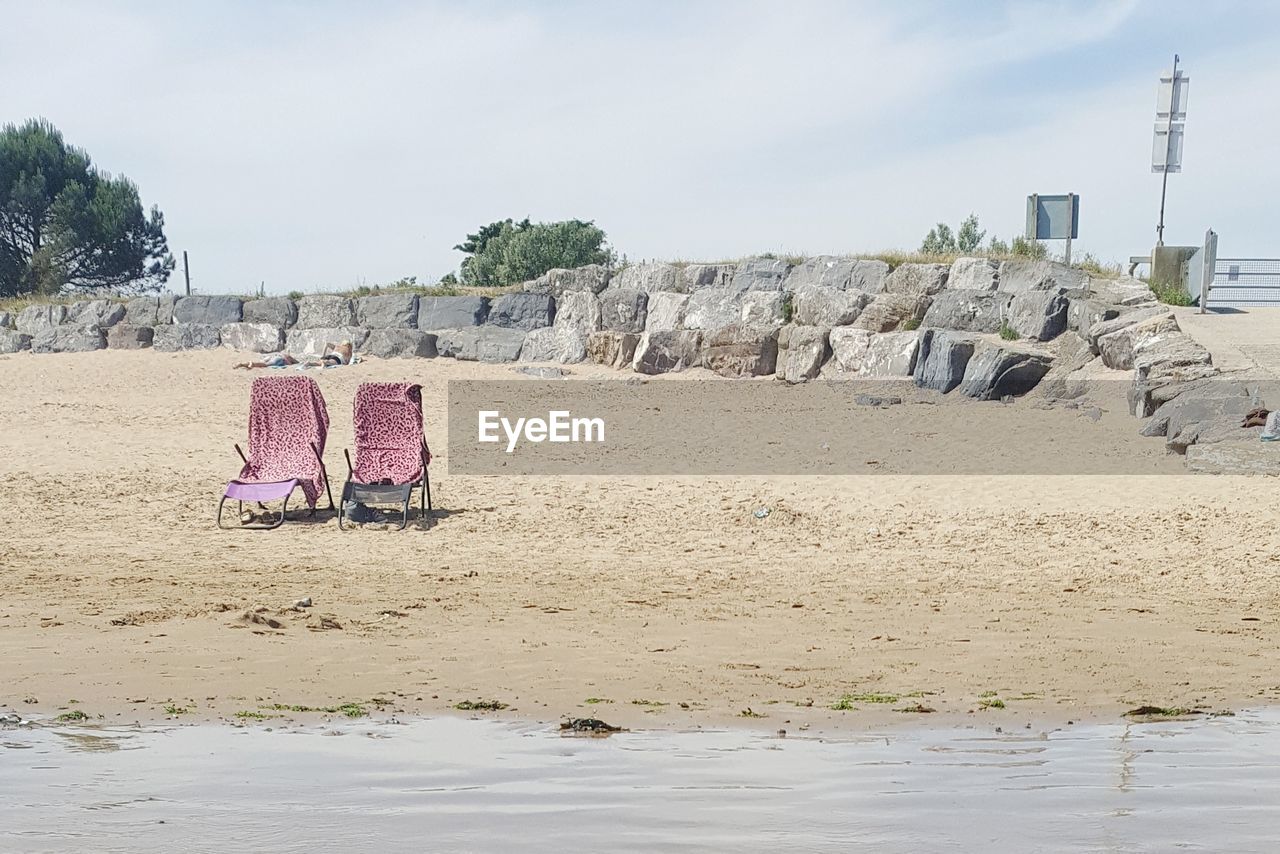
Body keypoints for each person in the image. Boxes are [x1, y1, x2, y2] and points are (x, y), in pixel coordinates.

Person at [235, 341, 353, 370]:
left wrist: (323, 355)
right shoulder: (348, 351)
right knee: (266, 364)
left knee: (266, 362)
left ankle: (247, 363)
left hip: (329, 355)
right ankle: (249, 364)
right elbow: (348, 362)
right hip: (336, 359)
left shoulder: (337, 346)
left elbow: (327, 344)